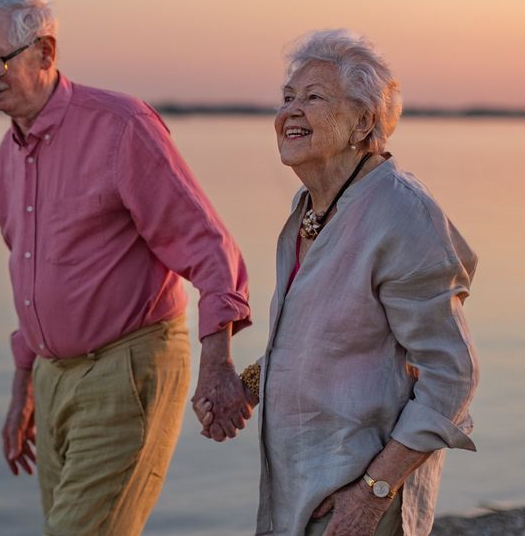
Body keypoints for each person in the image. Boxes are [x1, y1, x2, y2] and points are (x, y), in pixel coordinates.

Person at [0, 0, 253, 535]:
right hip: (52, 378)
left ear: (45, 52)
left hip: (126, 368)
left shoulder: (121, 126)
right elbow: (28, 274)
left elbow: (209, 247)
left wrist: (218, 364)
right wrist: (25, 383)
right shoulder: (9, 153)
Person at [195, 29, 479, 536]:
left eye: (314, 98)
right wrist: (247, 389)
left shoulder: (401, 215)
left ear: (363, 121)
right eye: (287, 98)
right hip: (300, 485)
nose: (290, 112)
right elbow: (321, 340)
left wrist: (372, 494)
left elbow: (452, 375)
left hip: (358, 495)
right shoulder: (309, 210)